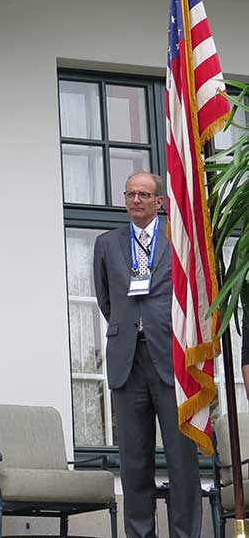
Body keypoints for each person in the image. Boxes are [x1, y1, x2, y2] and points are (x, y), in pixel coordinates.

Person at [93, 171, 200, 538]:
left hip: (170, 359)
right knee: (134, 462)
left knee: (181, 458)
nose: (136, 200)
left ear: (159, 202)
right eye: (130, 194)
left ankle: (185, 533)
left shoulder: (177, 240)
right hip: (127, 361)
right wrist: (132, 326)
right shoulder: (107, 244)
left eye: (144, 195)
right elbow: (106, 300)